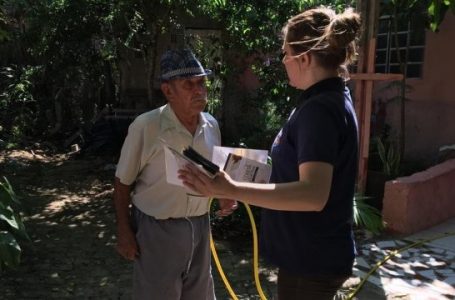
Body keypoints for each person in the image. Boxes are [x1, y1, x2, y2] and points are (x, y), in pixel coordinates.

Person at [179, 7, 361, 300]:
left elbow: (312, 194)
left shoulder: (319, 110)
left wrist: (233, 188)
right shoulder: (326, 99)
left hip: (311, 261)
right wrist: (236, 169)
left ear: (304, 58)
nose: (283, 62)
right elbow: (295, 171)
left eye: (285, 54)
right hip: (309, 257)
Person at [113, 48, 237, 300]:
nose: (199, 90)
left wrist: (226, 193)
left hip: (200, 226)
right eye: (188, 84)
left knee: (199, 294)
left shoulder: (211, 124)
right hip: (157, 229)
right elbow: (122, 182)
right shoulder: (147, 126)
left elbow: (215, 170)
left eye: (202, 82)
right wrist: (124, 230)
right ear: (168, 91)